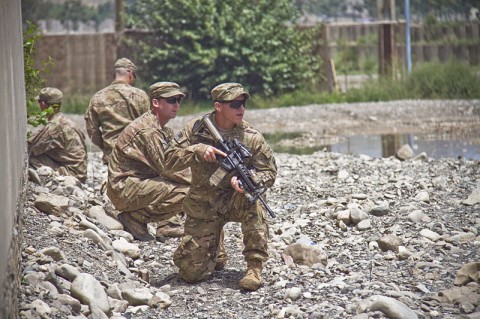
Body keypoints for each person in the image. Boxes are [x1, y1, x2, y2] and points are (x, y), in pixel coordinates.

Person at [164, 83, 277, 291]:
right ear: (218, 106)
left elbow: (269, 172)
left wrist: (247, 180)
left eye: (243, 103)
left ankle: (254, 267)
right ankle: (216, 246)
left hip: (235, 200)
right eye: (235, 104)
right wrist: (196, 150)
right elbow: (168, 159)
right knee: (191, 273)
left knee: (254, 198)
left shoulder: (250, 136)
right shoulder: (196, 129)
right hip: (203, 204)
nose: (241, 109)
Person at [106, 82, 190, 241]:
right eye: (171, 100)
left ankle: (167, 225)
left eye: (179, 100)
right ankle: (135, 219)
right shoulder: (149, 130)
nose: (177, 105)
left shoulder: (163, 129)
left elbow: (175, 161)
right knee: (187, 192)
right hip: (123, 187)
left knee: (184, 185)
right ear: (156, 103)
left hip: (137, 182)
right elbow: (168, 168)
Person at [84, 57, 150, 164]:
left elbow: (92, 131)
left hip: (112, 157)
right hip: (136, 156)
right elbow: (149, 127)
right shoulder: (141, 96)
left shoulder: (98, 97)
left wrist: (106, 146)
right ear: (130, 73)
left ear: (114, 74)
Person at [28, 87, 88, 183]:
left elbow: (30, 147)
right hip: (80, 172)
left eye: (39, 102)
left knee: (30, 158)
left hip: (71, 174)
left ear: (43, 104)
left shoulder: (54, 126)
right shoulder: (67, 122)